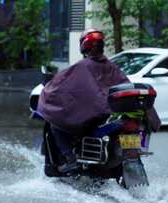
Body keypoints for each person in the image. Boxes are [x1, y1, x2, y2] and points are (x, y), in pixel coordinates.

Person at [37, 29, 130, 173]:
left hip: (94, 116)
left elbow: (60, 84)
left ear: (84, 46)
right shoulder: (111, 66)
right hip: (108, 115)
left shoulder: (83, 66)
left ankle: (70, 159)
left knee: (55, 123)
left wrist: (49, 86)